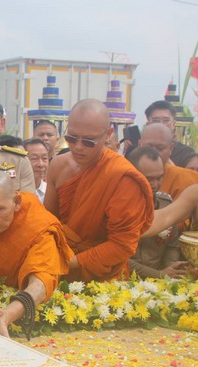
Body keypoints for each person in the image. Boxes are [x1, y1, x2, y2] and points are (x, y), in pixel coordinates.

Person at [44, 99, 153, 282]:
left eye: (89, 141)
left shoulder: (121, 177)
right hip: (57, 269)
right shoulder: (58, 165)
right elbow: (48, 223)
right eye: (72, 138)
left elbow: (122, 245)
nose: (78, 147)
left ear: (108, 134)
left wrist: (70, 262)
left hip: (103, 278)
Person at [0, 171, 73, 338]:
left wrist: (6, 317)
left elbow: (40, 284)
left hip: (14, 310)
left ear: (16, 202)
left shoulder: (36, 224)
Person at [126, 147, 185, 279]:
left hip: (160, 282)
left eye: (159, 178)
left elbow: (173, 245)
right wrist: (158, 274)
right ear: (131, 175)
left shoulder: (166, 204)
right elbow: (114, 255)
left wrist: (170, 269)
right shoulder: (115, 207)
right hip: (120, 280)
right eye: (149, 179)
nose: (155, 184)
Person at [138, 123, 198, 200]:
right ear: (139, 145)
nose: (153, 152)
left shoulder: (185, 179)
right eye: (148, 147)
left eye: (160, 148)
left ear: (171, 149)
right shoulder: (128, 172)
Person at [145, 100, 195, 167]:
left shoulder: (186, 152)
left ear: (174, 124)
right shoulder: (138, 151)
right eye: (156, 120)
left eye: (166, 120)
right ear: (148, 124)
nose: (161, 124)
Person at [23, 138, 49, 203]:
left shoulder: (50, 191)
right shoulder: (17, 192)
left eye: (44, 158)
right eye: (34, 158)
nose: (41, 164)